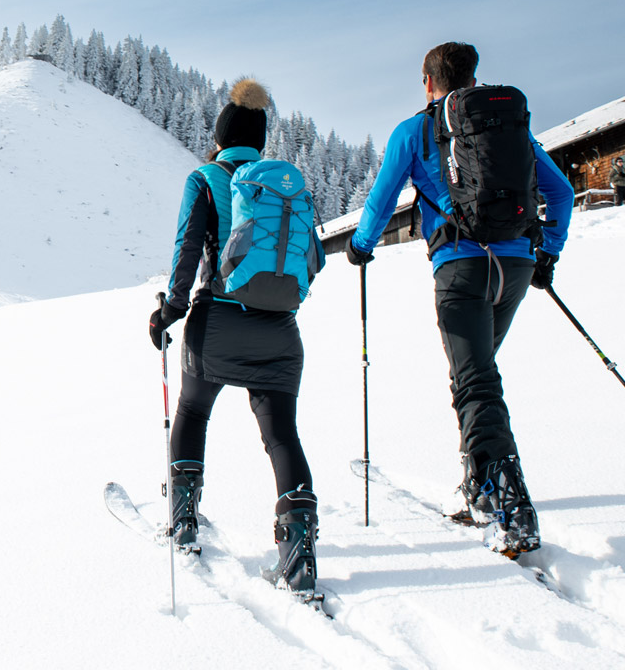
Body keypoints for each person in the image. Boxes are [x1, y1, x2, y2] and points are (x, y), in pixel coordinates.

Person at [344, 42, 574, 556]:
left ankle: (504, 500)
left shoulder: (414, 131)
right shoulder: (507, 129)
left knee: (475, 380)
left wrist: (360, 247)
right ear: (472, 77)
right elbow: (561, 193)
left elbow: (381, 201)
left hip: (460, 267)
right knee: (478, 373)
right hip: (514, 266)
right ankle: (480, 483)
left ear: (428, 81)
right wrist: (546, 255)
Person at [146, 78, 319, 593]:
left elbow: (185, 251)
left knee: (194, 412)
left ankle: (182, 520)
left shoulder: (204, 178)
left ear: (219, 136)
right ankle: (299, 553)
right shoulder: (284, 186)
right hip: (281, 333)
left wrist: (167, 314)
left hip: (216, 326)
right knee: (281, 435)